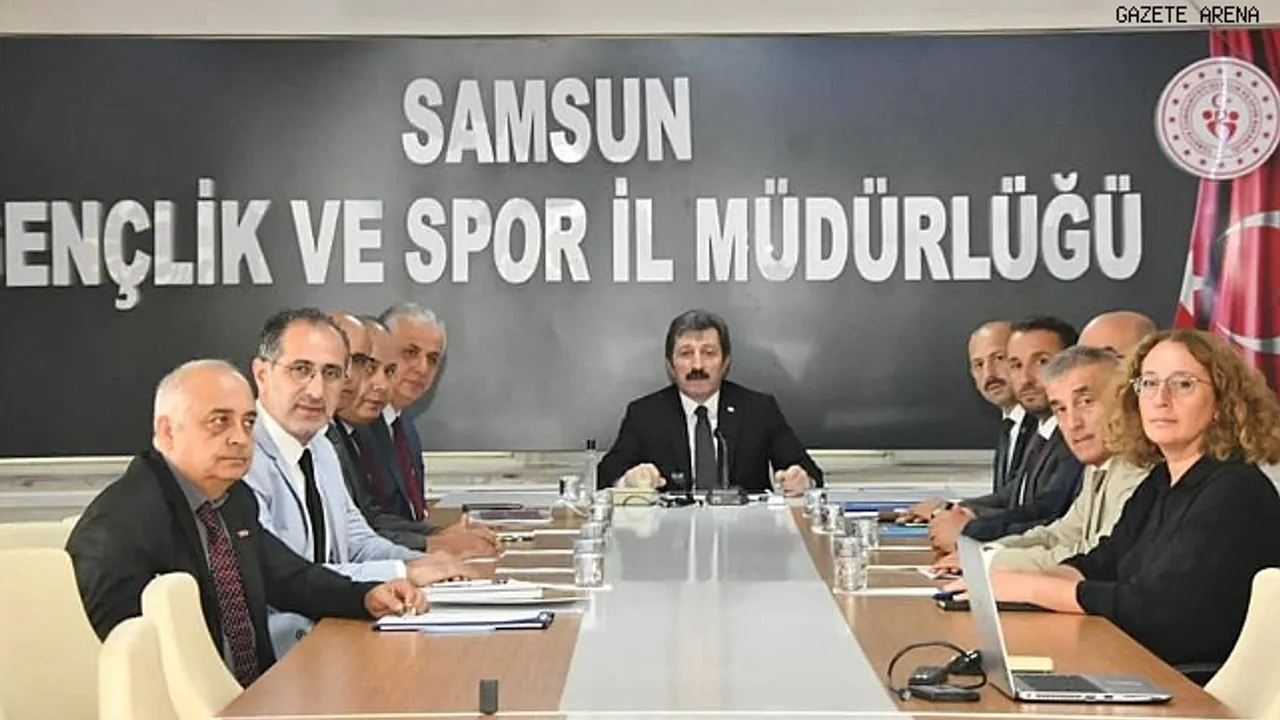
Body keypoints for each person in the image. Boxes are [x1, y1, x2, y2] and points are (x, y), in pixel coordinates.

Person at [66, 359, 425, 687]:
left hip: (258, 695)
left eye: (248, 422)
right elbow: (121, 659)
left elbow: (289, 577)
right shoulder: (120, 525)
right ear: (168, 431)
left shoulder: (234, 497)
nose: (240, 438)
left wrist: (365, 596)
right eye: (219, 421)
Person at [945, 329, 1280, 669]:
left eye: (1183, 384)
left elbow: (1161, 613)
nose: (1160, 399)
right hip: (1143, 664)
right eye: (1149, 383)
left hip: (1192, 684)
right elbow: (1104, 561)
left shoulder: (1235, 491)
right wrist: (1006, 583)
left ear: (1222, 402)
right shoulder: (1161, 480)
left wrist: (1031, 589)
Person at [242, 308, 471, 655]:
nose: (317, 390)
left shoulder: (321, 445)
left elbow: (359, 541)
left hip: (336, 639)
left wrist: (426, 564)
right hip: (279, 657)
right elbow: (293, 578)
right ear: (262, 373)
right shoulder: (241, 456)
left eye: (332, 374)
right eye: (301, 370)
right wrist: (402, 571)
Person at [933, 345, 1147, 572]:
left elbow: (1094, 556)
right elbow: (1059, 535)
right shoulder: (1100, 467)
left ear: (1125, 402)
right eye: (1061, 409)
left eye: (1085, 402)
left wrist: (991, 562)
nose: (1073, 423)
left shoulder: (1137, 473)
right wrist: (985, 553)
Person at [597, 309, 823, 496]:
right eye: (686, 353)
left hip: (746, 531)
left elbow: (811, 473)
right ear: (670, 365)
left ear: (726, 363)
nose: (697, 366)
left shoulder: (759, 409)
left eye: (709, 353)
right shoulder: (645, 414)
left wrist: (801, 480)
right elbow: (605, 476)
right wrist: (628, 481)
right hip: (670, 532)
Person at [326, 312, 496, 557]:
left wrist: (439, 537)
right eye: (367, 366)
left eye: (388, 371)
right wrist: (431, 544)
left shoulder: (399, 426)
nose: (380, 384)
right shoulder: (342, 435)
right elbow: (357, 535)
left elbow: (366, 522)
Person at [927, 317, 1083, 552]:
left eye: (1042, 362)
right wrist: (961, 513)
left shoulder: (1076, 437)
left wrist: (970, 530)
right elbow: (1014, 497)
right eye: (1016, 365)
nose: (1026, 378)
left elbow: (1051, 514)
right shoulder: (1039, 432)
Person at [358, 302, 447, 523]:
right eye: (410, 352)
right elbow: (370, 523)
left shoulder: (405, 427)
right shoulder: (357, 428)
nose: (422, 368)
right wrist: (433, 539)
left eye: (432, 359)